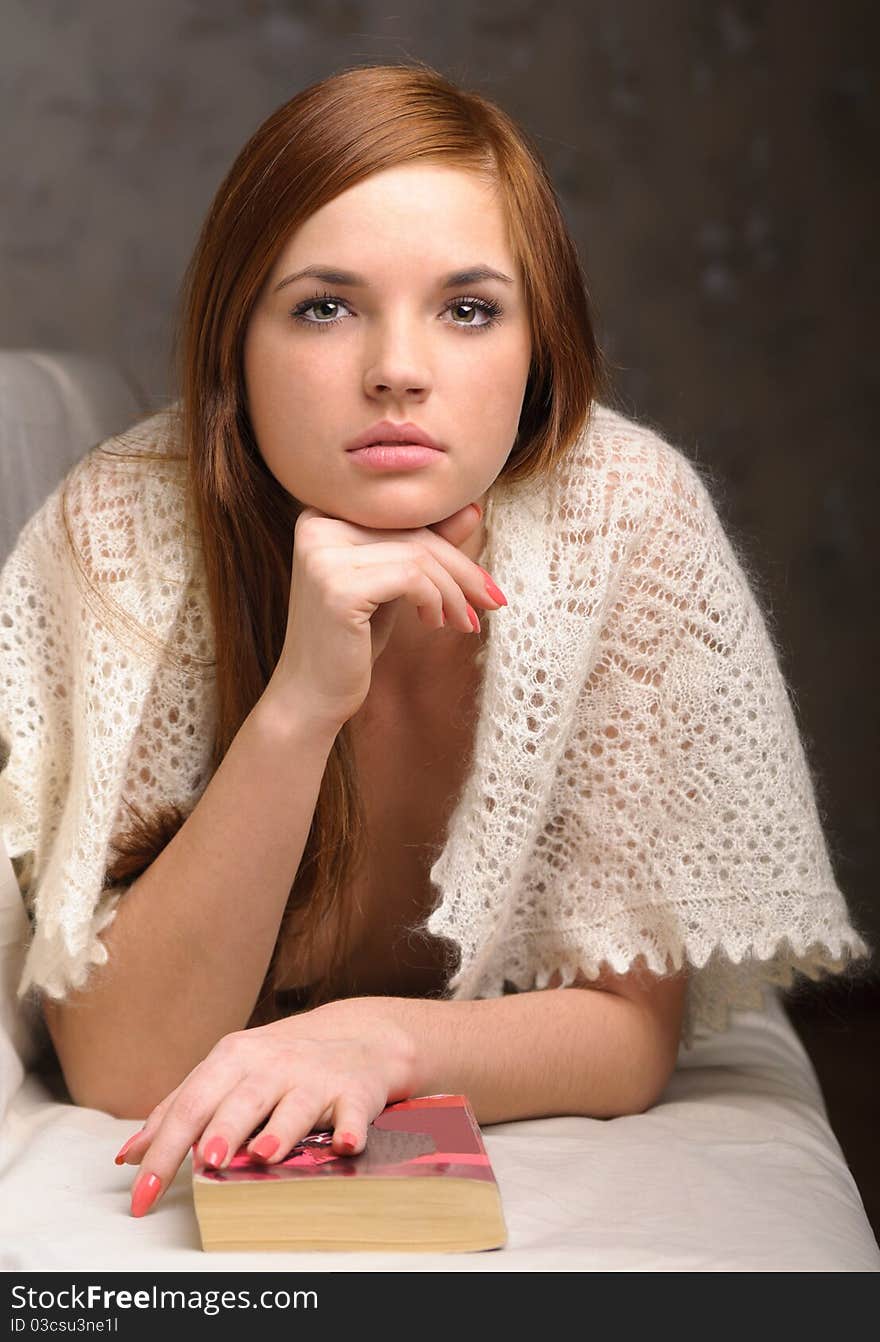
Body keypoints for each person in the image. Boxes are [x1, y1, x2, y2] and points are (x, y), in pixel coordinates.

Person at [0, 62, 871, 1221]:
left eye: (467, 308)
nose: (397, 370)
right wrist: (301, 702)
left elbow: (625, 1034)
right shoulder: (122, 528)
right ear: (235, 350)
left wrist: (374, 1039)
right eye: (325, 305)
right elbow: (120, 1069)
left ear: (539, 348)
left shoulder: (626, 520)